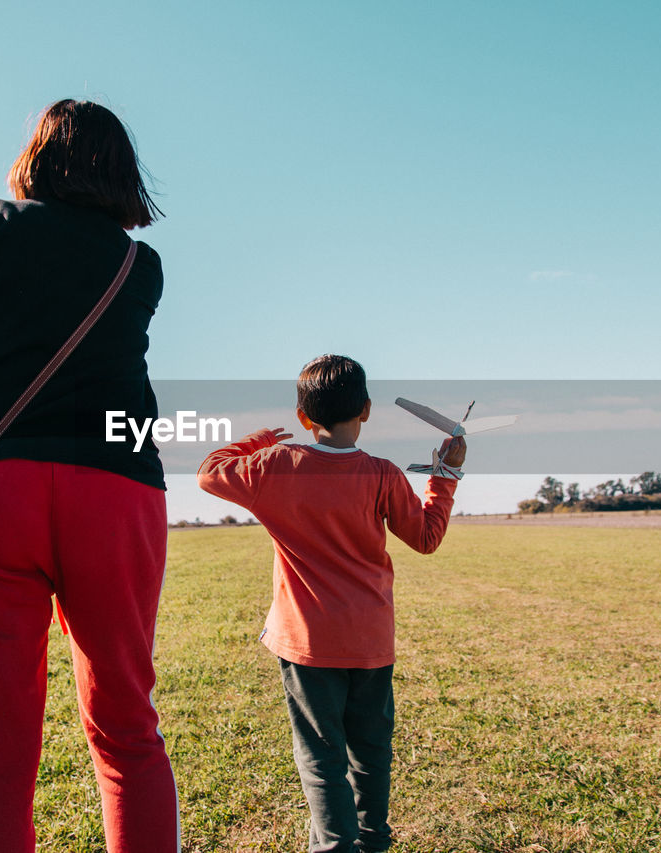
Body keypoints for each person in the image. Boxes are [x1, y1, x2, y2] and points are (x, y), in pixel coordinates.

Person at [0, 99, 178, 853]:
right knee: (127, 728)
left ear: (37, 158)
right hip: (119, 491)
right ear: (121, 172)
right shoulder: (137, 264)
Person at [196, 354, 465, 853]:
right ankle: (372, 840)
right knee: (371, 751)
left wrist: (257, 441)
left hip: (306, 643)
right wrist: (444, 475)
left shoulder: (276, 465)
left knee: (322, 758)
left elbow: (210, 473)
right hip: (370, 641)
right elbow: (426, 538)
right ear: (365, 409)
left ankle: (335, 847)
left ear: (303, 417)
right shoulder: (382, 474)